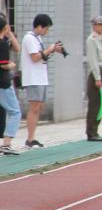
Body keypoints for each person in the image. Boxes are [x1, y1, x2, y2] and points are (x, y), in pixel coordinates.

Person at [20, 14, 62, 148]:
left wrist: (53, 50)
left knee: (38, 108)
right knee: (34, 107)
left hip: (40, 77)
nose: (47, 31)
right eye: (46, 28)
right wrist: (50, 49)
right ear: (39, 26)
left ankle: (32, 138)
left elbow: (42, 56)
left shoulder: (37, 38)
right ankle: (29, 139)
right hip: (33, 78)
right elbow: (35, 57)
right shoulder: (29, 38)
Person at [0, 17, 21, 154]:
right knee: (15, 112)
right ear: (5, 28)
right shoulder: (2, 44)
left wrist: (10, 35)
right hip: (3, 83)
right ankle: (7, 143)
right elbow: (3, 64)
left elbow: (17, 48)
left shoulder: (4, 42)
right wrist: (11, 65)